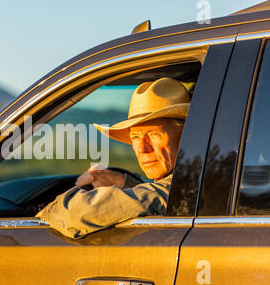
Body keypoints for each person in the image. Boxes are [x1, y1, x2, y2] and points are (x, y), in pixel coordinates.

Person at [36, 77, 190, 239]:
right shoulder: (188, 182)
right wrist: (123, 182)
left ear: (186, 135)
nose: (142, 149)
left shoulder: (183, 187)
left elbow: (76, 213)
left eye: (154, 134)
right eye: (135, 137)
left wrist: (47, 212)